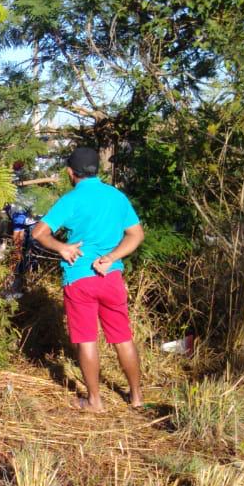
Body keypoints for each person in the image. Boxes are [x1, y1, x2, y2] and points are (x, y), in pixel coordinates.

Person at [30, 147, 145, 412]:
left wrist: (62, 247)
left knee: (87, 340)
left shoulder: (71, 200)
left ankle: (95, 401)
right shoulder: (117, 197)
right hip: (110, 275)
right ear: (97, 170)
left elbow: (39, 232)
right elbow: (136, 235)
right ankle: (137, 397)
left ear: (71, 173)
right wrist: (111, 257)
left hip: (79, 278)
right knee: (123, 337)